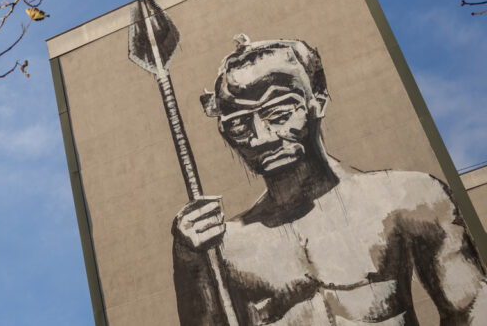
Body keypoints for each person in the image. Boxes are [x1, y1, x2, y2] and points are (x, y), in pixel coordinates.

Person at [172, 35, 487, 325]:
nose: (261, 138)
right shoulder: (226, 247)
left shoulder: (407, 197)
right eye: (239, 126)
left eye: (279, 114)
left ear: (317, 102)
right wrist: (191, 262)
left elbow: (472, 310)